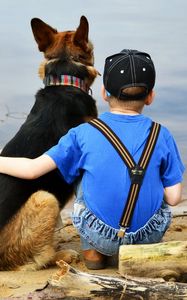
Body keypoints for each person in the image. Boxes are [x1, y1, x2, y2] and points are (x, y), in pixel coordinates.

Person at [0, 49, 185, 270]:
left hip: (99, 235)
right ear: (151, 96)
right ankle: (134, 247)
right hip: (148, 236)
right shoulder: (161, 134)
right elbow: (174, 199)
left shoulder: (81, 133)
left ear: (104, 92)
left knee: (78, 168)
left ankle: (93, 256)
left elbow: (31, 169)